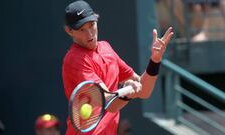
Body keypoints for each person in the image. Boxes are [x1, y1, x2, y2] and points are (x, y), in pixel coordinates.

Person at [62, 0, 173, 134]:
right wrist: (128, 92)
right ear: (69, 31)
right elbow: (108, 102)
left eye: (92, 25)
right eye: (81, 29)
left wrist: (155, 60)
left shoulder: (106, 48)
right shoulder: (74, 60)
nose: (90, 34)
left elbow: (144, 91)